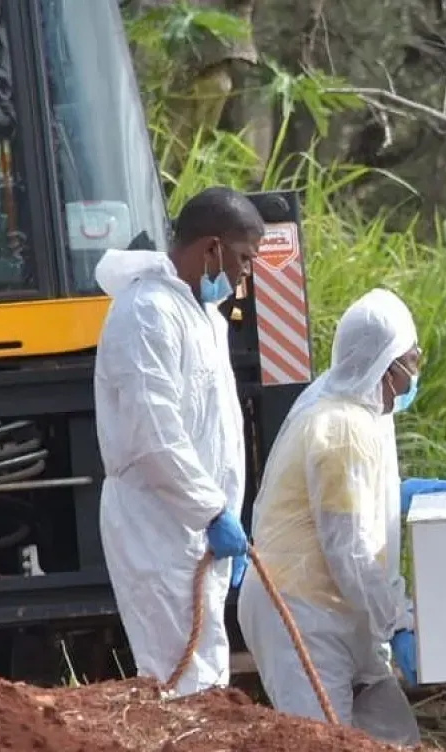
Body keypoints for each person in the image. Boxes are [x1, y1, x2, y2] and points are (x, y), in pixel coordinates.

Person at [237, 288, 446, 745]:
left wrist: (390, 497)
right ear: (386, 366)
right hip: (301, 613)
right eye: (411, 360)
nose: (416, 371)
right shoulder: (343, 428)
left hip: (340, 611)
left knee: (394, 744)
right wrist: (397, 622)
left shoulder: (359, 408)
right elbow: (351, 552)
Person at [94, 186, 265, 696]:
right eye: (243, 258)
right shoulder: (147, 312)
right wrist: (211, 511)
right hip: (158, 524)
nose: (246, 273)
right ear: (211, 248)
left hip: (195, 526)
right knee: (182, 677)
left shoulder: (204, 316)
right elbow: (155, 434)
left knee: (205, 671)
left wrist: (219, 513)